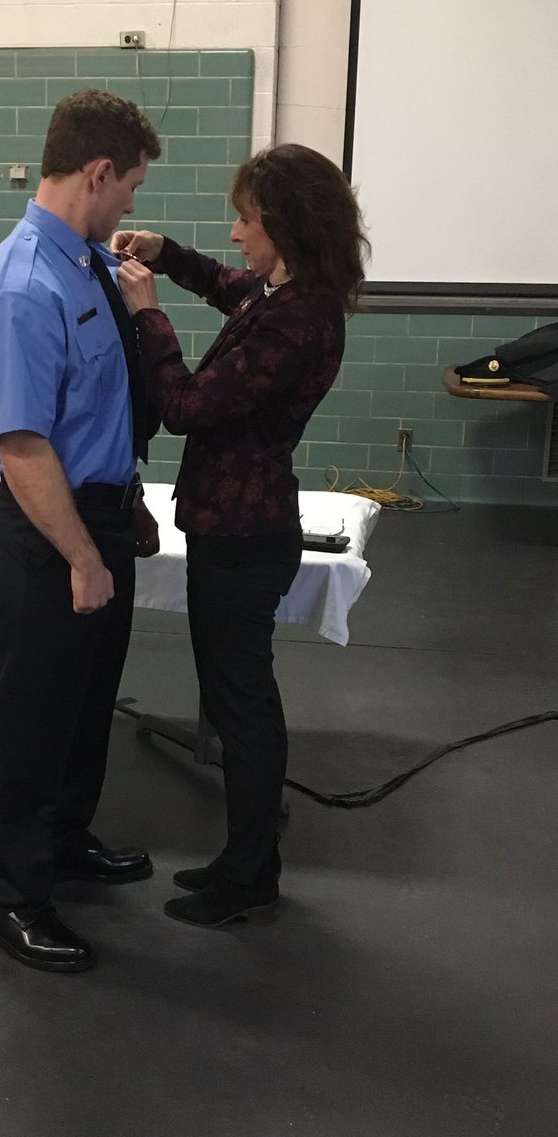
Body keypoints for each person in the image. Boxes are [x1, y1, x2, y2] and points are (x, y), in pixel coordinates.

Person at [114, 143, 369, 928]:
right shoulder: (286, 293)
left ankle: (251, 873)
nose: (235, 234)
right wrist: (166, 254)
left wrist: (148, 313)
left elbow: (189, 406)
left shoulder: (300, 319)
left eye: (246, 219)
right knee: (237, 698)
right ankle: (244, 860)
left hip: (244, 534)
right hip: (238, 526)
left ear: (283, 225)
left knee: (242, 706)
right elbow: (231, 287)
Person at [0, 90, 162, 972]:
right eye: (131, 187)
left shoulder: (81, 262)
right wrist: (81, 552)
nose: (131, 206)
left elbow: (99, 410)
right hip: (50, 535)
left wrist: (126, 504)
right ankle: (7, 896)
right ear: (98, 171)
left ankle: (64, 844)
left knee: (82, 709)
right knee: (27, 723)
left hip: (100, 518)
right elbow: (24, 444)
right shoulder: (22, 287)